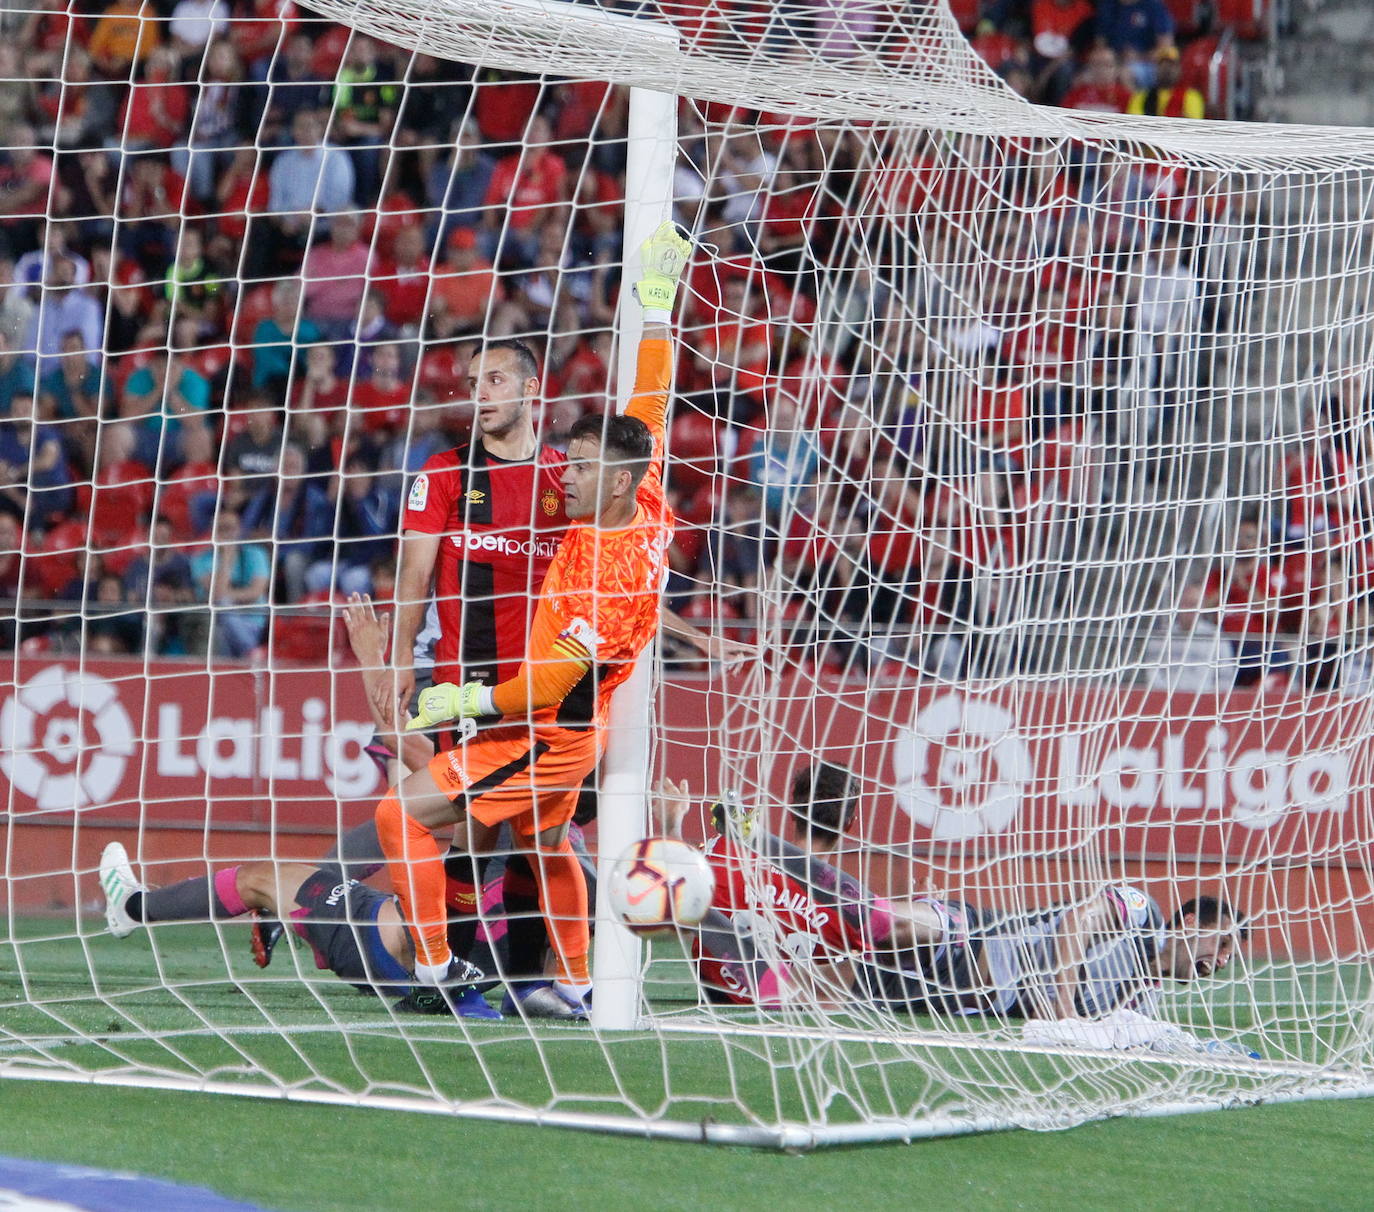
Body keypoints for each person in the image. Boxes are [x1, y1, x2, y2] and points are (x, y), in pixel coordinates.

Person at [375, 222, 692, 1014]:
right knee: (543, 839)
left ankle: (444, 970)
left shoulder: (598, 566)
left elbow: (556, 671)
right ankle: (577, 981)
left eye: (580, 469)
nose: (567, 476)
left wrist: (465, 701)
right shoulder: (641, 500)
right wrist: (657, 309)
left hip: (545, 717)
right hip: (532, 704)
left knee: (412, 816)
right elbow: (649, 402)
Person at [97, 596, 499, 1017]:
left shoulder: (480, 778)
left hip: (378, 938)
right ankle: (555, 985)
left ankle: (130, 907)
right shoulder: (530, 792)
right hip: (444, 951)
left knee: (262, 877)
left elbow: (395, 736)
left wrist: (369, 655)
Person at [863, 885, 1246, 1022]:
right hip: (982, 938)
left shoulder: (1143, 1001)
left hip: (956, 998)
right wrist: (1063, 1003)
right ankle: (811, 882)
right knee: (884, 924)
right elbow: (1077, 920)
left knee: (844, 985)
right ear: (1192, 922)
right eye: (1223, 944)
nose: (1223, 961)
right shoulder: (1144, 912)